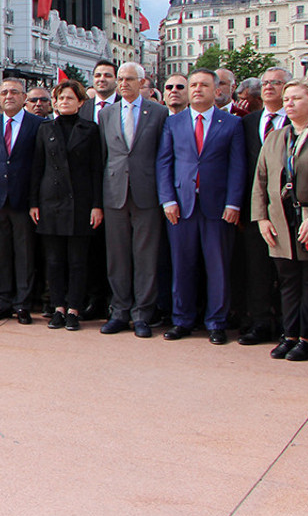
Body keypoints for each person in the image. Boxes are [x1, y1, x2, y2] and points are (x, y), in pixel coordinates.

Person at [157, 68, 245, 344]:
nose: (197, 89)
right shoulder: (174, 123)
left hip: (217, 207)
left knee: (217, 267)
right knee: (182, 265)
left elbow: (238, 166)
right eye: (193, 84)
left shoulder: (230, 123)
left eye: (204, 85)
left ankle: (216, 322)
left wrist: (233, 202)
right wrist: (167, 199)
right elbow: (164, 163)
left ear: (216, 90)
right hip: (181, 207)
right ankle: (182, 319)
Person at [253, 79, 308, 362]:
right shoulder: (276, 137)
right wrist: (261, 218)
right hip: (280, 220)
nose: (289, 103)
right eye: (286, 99)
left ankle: (307, 338)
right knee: (288, 280)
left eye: (296, 98)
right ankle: (289, 335)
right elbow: (260, 180)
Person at [99, 62, 170, 338]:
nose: (123, 84)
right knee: (117, 257)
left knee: (146, 257)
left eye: (129, 79)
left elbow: (164, 155)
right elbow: (104, 156)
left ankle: (143, 314)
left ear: (142, 82)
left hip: (146, 192)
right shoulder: (108, 113)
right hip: (114, 193)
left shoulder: (159, 112)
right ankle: (119, 311)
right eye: (120, 79)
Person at [31, 81, 104, 331]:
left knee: (77, 260)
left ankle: (74, 308)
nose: (64, 102)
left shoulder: (91, 129)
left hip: (81, 204)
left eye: (70, 98)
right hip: (51, 202)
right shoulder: (45, 128)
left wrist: (97, 205)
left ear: (80, 102)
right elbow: (37, 168)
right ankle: (58, 307)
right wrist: (34, 203)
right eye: (60, 98)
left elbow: (97, 170)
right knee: (54, 261)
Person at [236, 68, 292, 345]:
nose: (268, 87)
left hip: (288, 208)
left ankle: (287, 325)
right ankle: (260, 323)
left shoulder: (297, 122)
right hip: (254, 208)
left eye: (276, 83)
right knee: (256, 268)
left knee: (286, 271)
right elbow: (240, 167)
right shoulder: (249, 122)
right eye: (265, 83)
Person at [0, 78, 42, 324]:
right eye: (4, 92)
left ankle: (23, 304)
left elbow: (40, 166)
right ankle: (4, 301)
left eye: (14, 92)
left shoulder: (38, 125)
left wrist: (36, 200)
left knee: (25, 254)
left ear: (24, 97)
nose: (9, 96)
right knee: (1, 254)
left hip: (24, 200)